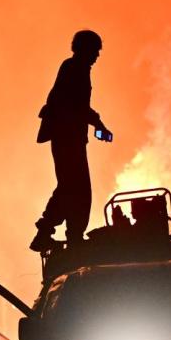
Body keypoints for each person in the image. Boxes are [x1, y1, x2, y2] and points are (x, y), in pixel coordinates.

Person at [30, 29, 112, 252]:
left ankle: (58, 232)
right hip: (68, 138)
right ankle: (56, 232)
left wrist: (95, 123)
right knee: (76, 189)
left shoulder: (75, 68)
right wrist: (97, 123)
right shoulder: (75, 69)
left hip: (69, 137)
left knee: (72, 188)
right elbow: (76, 106)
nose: (97, 56)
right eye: (95, 51)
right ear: (85, 49)